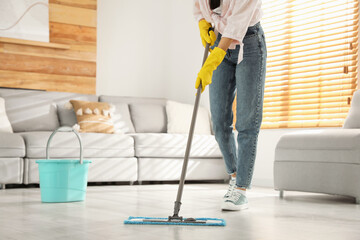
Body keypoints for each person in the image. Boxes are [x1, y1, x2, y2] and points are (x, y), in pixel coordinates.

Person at [193, 0, 267, 211]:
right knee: (218, 122)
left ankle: (241, 189)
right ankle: (235, 176)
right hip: (219, 41)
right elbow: (198, 6)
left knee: (246, 122)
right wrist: (202, 23)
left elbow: (238, 21)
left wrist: (216, 56)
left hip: (250, 43)